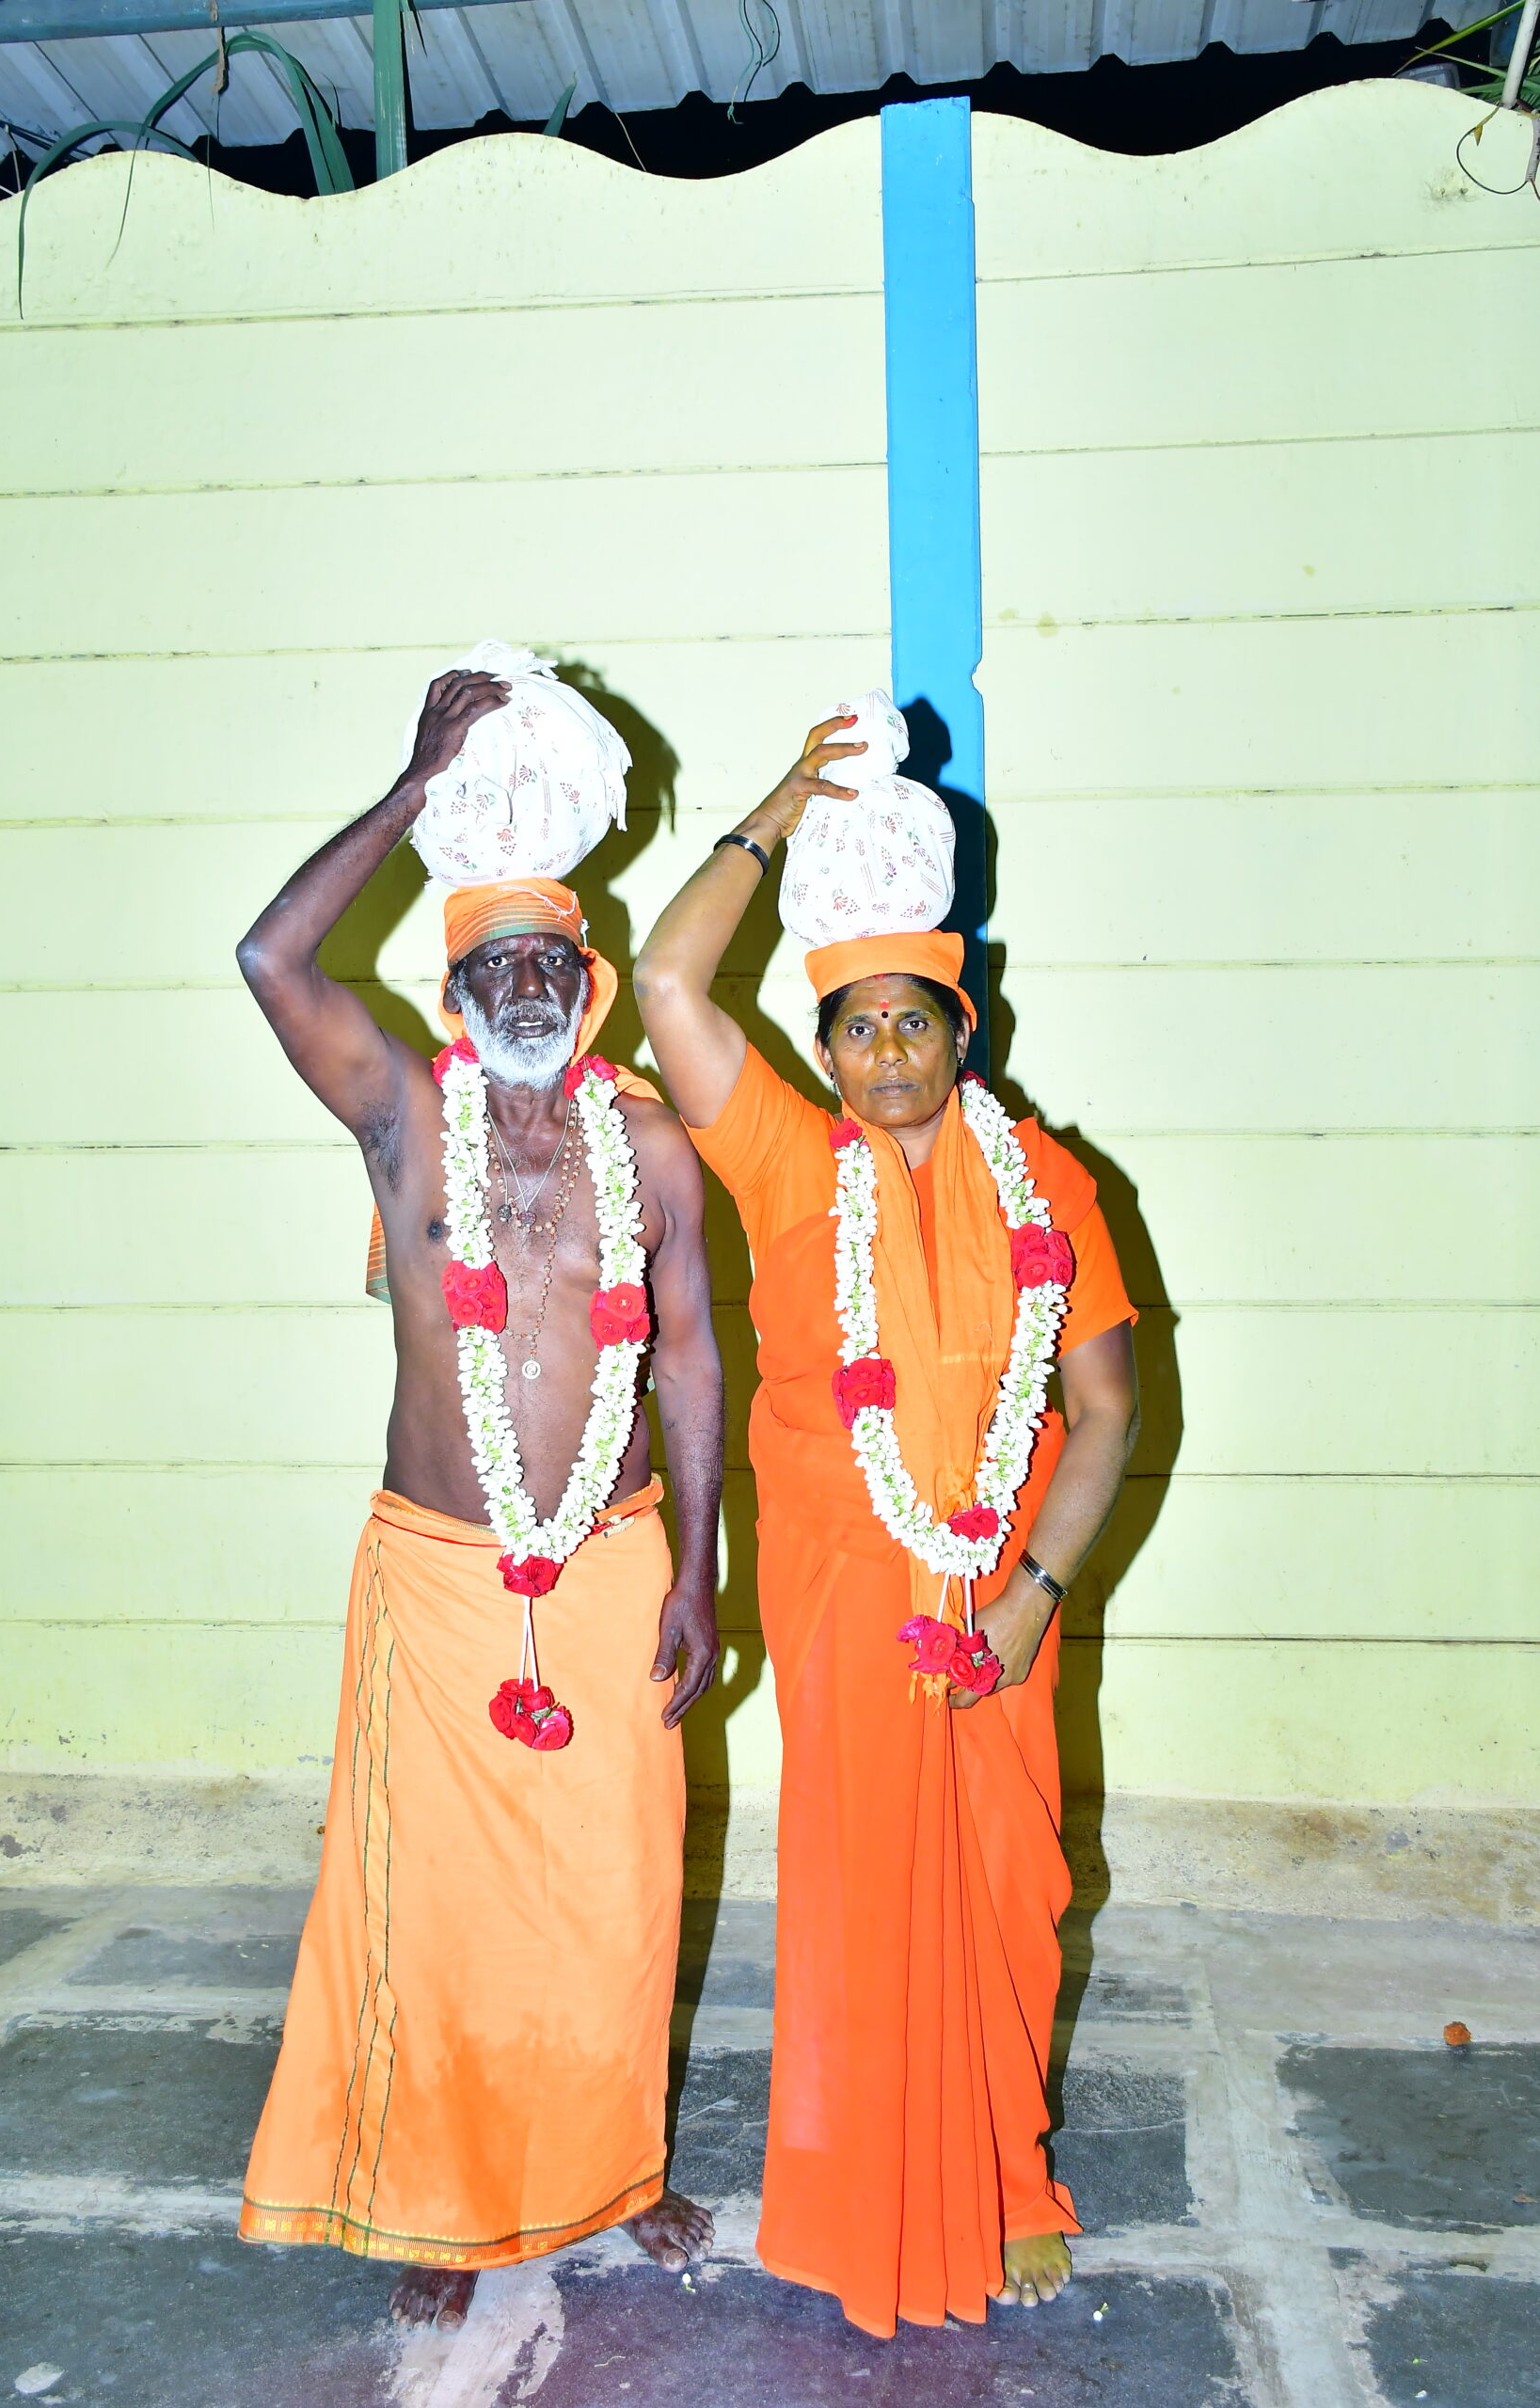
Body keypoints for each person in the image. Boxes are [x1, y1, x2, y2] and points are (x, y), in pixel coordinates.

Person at [633, 715, 1140, 2339]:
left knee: (1010, 1887)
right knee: (863, 1899)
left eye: (915, 1020)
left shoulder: (1049, 1181)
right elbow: (667, 983)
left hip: (998, 1601)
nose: (890, 1054)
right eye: (858, 1028)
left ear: (959, 1029)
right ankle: (858, 2192)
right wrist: (776, 812)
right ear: (829, 1050)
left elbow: (1109, 1409)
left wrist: (1034, 1594)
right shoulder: (790, 1165)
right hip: (849, 1602)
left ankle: (1008, 2180)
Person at [234, 668, 722, 2328]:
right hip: (441, 1579)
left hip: (613, 1562)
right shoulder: (403, 1117)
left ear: (587, 986)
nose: (524, 985)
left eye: (548, 963)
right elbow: (272, 960)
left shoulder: (651, 1151)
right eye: (493, 964)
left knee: (616, 1891)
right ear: (455, 993)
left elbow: (693, 1364)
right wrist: (412, 783)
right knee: (439, 1909)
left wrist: (698, 1571)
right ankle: (445, 2204)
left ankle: (619, 2170)